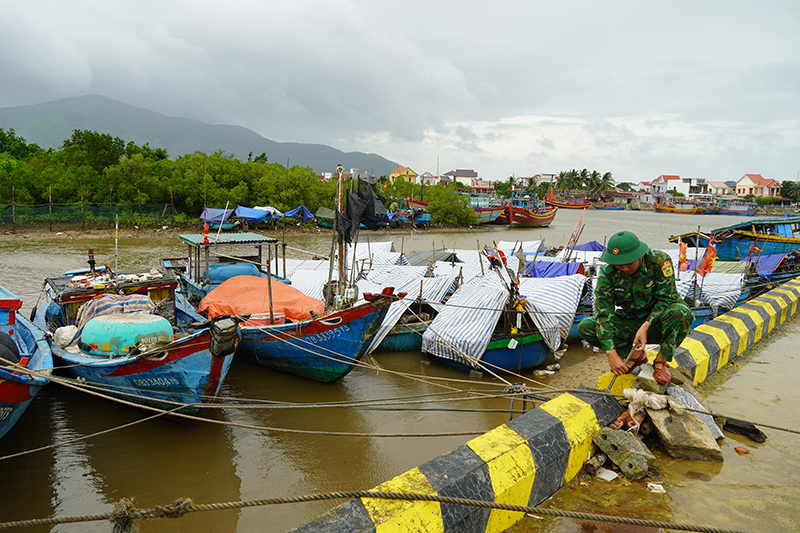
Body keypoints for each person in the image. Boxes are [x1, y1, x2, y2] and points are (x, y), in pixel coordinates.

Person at [578, 231, 693, 385]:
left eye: (629, 263)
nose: (624, 268)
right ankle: (633, 356)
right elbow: (604, 313)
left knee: (681, 312)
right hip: (630, 323)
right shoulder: (608, 273)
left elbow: (667, 298)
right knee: (587, 327)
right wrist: (610, 352)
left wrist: (646, 325)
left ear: (639, 256)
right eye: (619, 264)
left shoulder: (658, 261)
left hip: (658, 324)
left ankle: (661, 360)